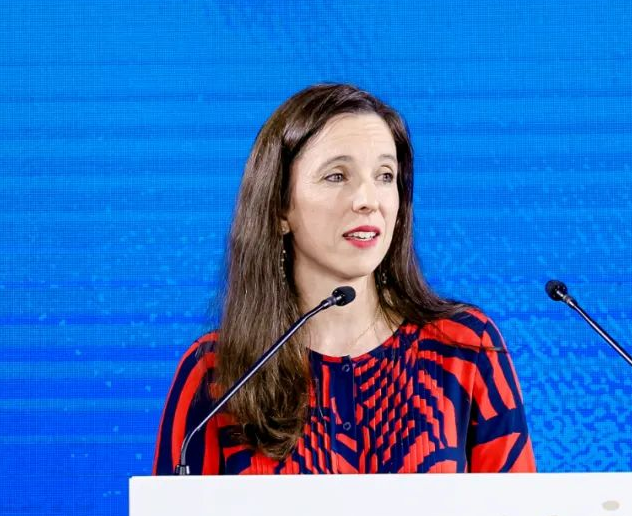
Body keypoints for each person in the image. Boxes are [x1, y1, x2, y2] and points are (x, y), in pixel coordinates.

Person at [154, 83, 534, 477]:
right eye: (337, 176)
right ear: (280, 207)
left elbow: (521, 514)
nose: (368, 200)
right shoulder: (216, 374)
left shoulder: (464, 347)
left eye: (385, 175)